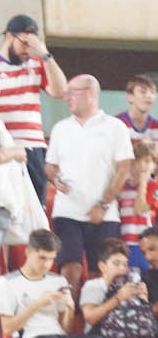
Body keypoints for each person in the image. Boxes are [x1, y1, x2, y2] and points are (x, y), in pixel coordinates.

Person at [44, 74, 135, 293]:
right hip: (66, 212)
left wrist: (103, 204)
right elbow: (49, 166)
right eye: (66, 93)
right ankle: (68, 324)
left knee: (100, 273)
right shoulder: (60, 128)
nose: (67, 97)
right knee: (70, 269)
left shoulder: (115, 127)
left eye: (72, 92)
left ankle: (95, 325)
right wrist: (54, 179)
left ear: (91, 93)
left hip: (105, 213)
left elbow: (124, 168)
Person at [0, 229, 113, 338]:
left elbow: (65, 329)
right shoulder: (8, 282)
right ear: (28, 252)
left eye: (51, 259)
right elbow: (8, 327)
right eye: (42, 258)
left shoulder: (58, 280)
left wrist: (70, 308)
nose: (46, 264)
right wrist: (37, 304)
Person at [0, 14, 68, 201]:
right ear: (9, 36)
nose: (28, 50)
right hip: (3, 148)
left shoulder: (38, 64)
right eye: (25, 43)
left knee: (36, 209)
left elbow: (60, 91)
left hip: (33, 148)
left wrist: (45, 55)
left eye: (32, 45)